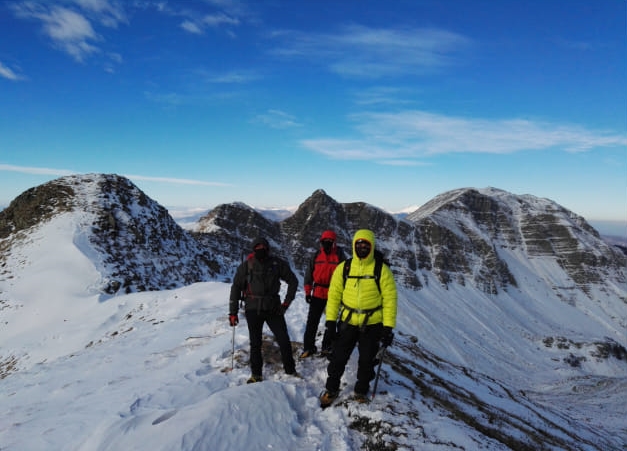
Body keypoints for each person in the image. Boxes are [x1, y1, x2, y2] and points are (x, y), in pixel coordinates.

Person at [320, 229, 397, 407]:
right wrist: (330, 322)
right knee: (338, 357)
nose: (362, 247)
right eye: (359, 244)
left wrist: (388, 327)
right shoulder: (344, 267)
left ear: (371, 246)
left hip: (372, 323)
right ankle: (331, 389)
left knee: (367, 361)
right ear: (354, 246)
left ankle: (361, 390)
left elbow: (390, 299)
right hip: (347, 321)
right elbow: (334, 296)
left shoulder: (381, 270)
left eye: (366, 244)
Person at [229, 237, 298, 383]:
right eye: (257, 247)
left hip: (273, 308)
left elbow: (293, 281)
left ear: (268, 248)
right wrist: (233, 312)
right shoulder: (246, 267)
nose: (260, 250)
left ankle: (290, 370)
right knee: (255, 343)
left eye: (263, 247)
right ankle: (256, 374)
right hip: (253, 309)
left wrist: (286, 304)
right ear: (253, 249)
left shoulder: (276, 264)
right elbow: (235, 288)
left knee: (284, 340)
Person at [301, 230, 346, 359]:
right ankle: (308, 348)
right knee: (312, 322)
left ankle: (327, 347)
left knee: (331, 322)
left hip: (334, 293)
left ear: (334, 243)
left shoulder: (340, 256)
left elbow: (346, 275)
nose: (326, 244)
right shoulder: (316, 256)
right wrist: (308, 292)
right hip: (318, 293)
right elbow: (308, 274)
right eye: (324, 242)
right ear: (321, 242)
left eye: (330, 242)